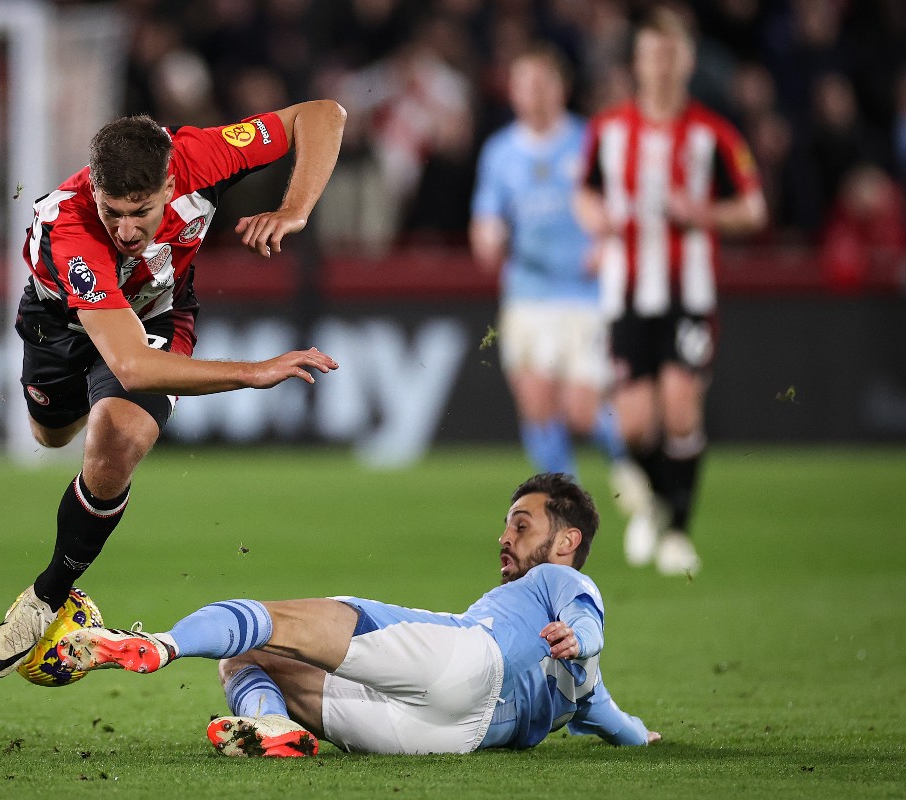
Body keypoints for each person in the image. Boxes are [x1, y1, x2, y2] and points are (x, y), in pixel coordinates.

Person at [0, 100, 347, 679]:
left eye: (140, 212)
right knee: (51, 436)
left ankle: (48, 594)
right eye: (112, 212)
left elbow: (322, 114)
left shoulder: (201, 155)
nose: (125, 230)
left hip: (156, 315)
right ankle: (71, 416)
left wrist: (294, 208)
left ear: (170, 182)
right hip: (61, 328)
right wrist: (255, 370)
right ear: (93, 189)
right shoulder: (73, 228)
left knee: (116, 441)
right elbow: (133, 368)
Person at [56, 473, 661, 757]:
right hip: (449, 740)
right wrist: (644, 735)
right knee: (245, 656)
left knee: (278, 622)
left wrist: (578, 636)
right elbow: (621, 726)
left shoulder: (561, 579)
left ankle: (154, 646)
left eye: (521, 525)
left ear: (566, 541)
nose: (504, 537)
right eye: (505, 523)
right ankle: (271, 727)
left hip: (467, 661)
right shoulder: (588, 689)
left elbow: (587, 619)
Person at [573, 7, 766, 576]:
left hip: (688, 291)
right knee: (634, 425)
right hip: (626, 293)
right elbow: (584, 194)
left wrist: (704, 212)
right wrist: (597, 220)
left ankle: (679, 531)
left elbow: (754, 208)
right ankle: (659, 501)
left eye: (669, 54)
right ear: (636, 62)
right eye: (650, 54)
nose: (659, 65)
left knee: (681, 408)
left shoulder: (714, 134)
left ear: (685, 61)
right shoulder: (608, 130)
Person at [468, 42, 647, 510]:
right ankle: (567, 506)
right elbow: (486, 215)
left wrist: (608, 246)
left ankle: (630, 460)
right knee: (536, 404)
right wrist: (487, 236)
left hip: (584, 294)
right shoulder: (500, 151)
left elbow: (624, 207)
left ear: (562, 87)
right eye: (524, 83)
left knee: (580, 411)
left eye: (543, 82)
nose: (533, 93)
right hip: (526, 292)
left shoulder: (590, 140)